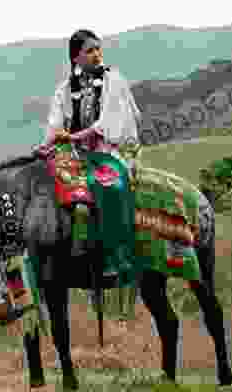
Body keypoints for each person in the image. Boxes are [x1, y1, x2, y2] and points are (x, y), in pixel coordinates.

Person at [36, 29, 142, 278]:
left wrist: (72, 137)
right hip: (75, 154)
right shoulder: (64, 90)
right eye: (89, 50)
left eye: (98, 49)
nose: (96, 55)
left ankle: (114, 255)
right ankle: (55, 252)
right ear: (76, 57)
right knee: (49, 184)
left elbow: (108, 125)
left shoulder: (113, 81)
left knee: (106, 185)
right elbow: (55, 124)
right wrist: (50, 143)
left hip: (110, 150)